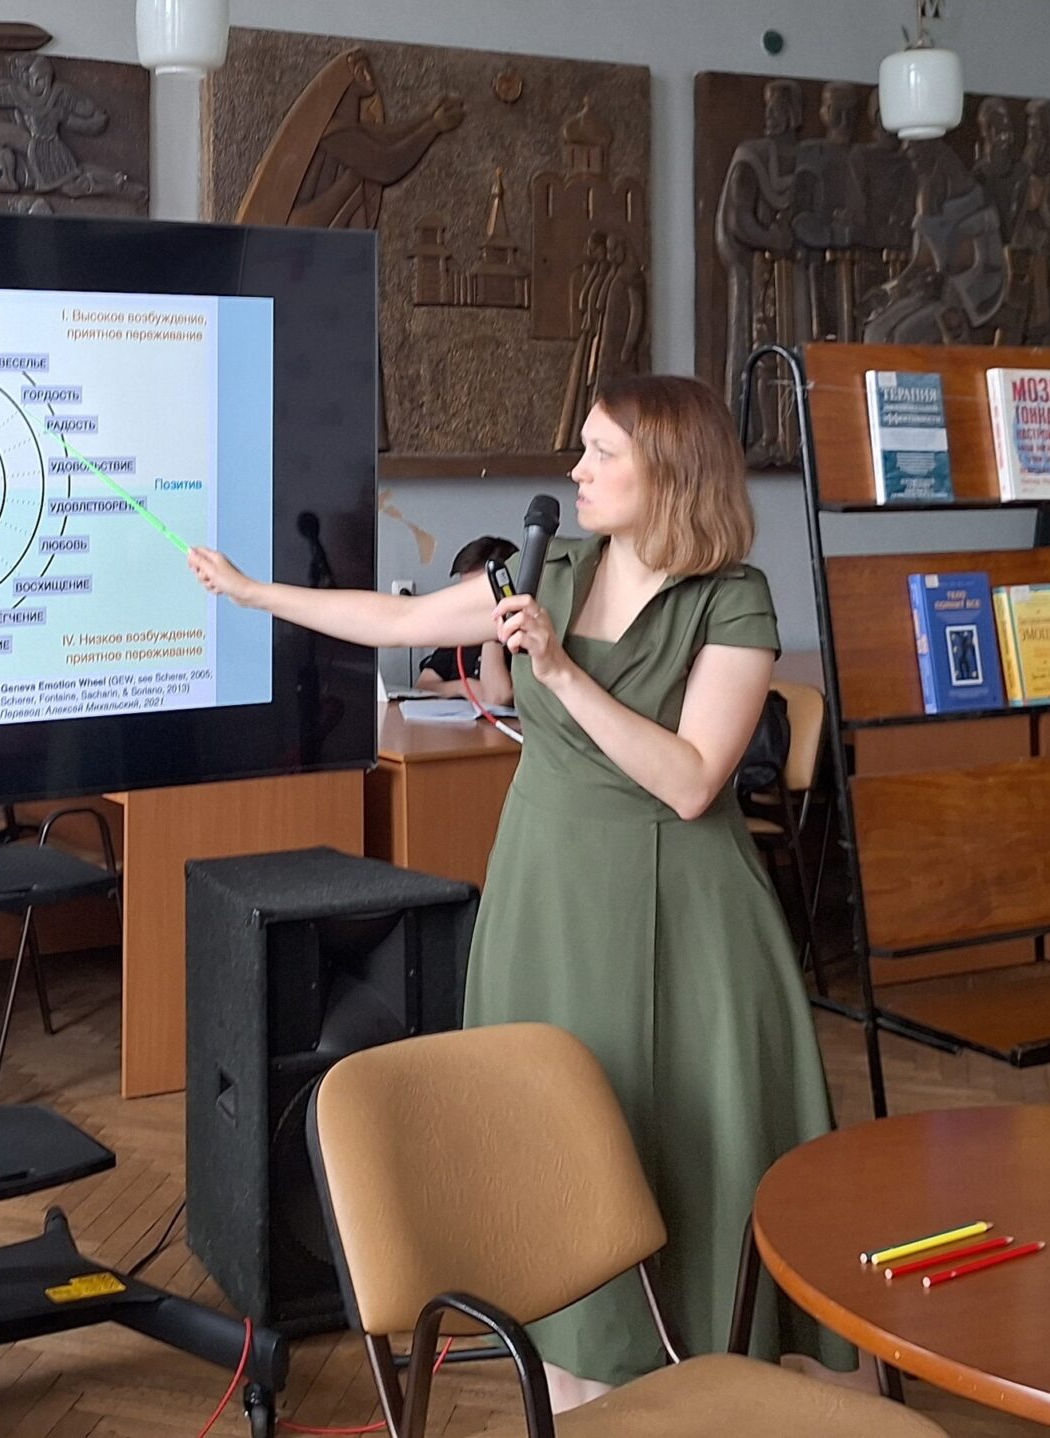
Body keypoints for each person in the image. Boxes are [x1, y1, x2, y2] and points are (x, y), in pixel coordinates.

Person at [188, 374, 844, 1407]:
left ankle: (696, 1359)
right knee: (548, 1124)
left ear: (669, 471)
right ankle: (570, 1364)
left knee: (681, 1125)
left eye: (601, 453)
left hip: (678, 902)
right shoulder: (550, 568)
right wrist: (252, 592)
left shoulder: (733, 598)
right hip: (545, 881)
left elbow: (688, 782)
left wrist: (563, 672)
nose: (575, 470)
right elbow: (393, 619)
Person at [416, 535, 517, 702]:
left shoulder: (524, 638)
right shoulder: (461, 633)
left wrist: (492, 629)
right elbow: (423, 685)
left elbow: (497, 697)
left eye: (476, 591)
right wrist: (464, 687)